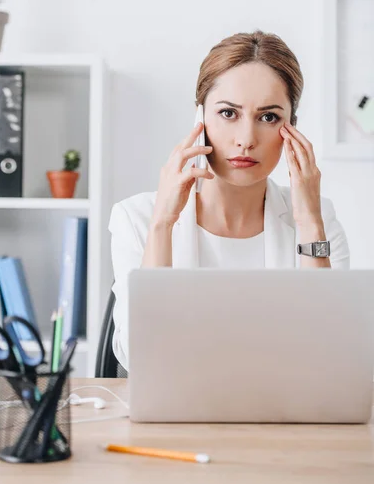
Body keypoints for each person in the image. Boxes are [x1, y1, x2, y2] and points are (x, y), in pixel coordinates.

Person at [108, 30, 350, 371]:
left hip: (282, 417)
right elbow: (141, 358)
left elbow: (330, 353)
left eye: (269, 117)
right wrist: (162, 224)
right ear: (200, 119)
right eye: (228, 113)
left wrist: (309, 222)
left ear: (291, 129)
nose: (246, 140)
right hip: (177, 419)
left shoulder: (318, 219)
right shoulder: (137, 217)